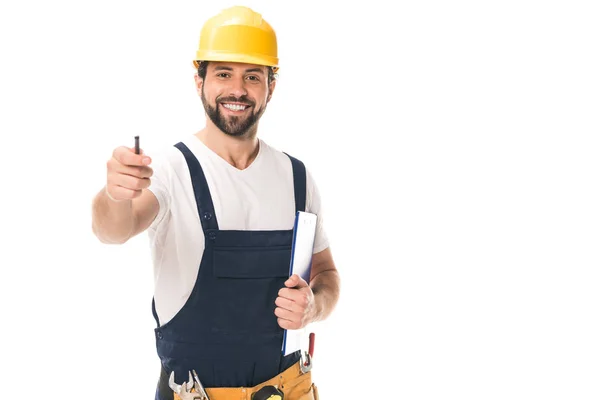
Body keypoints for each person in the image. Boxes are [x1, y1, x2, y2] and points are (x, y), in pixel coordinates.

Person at [91, 6, 340, 400]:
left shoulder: (297, 178)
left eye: (252, 76)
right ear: (199, 81)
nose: (237, 90)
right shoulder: (172, 169)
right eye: (223, 73)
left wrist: (315, 305)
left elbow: (326, 274)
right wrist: (114, 195)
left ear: (270, 87)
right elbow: (113, 230)